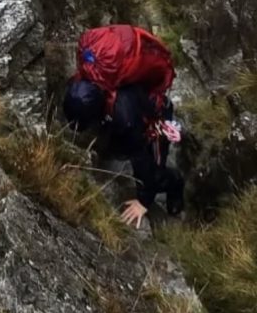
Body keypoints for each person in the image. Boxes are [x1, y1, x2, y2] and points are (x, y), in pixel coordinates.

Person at [63, 25, 185, 229]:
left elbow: (141, 159)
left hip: (153, 116)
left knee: (155, 170)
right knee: (123, 145)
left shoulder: (124, 117)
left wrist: (144, 201)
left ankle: (175, 185)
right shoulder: (86, 78)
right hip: (136, 103)